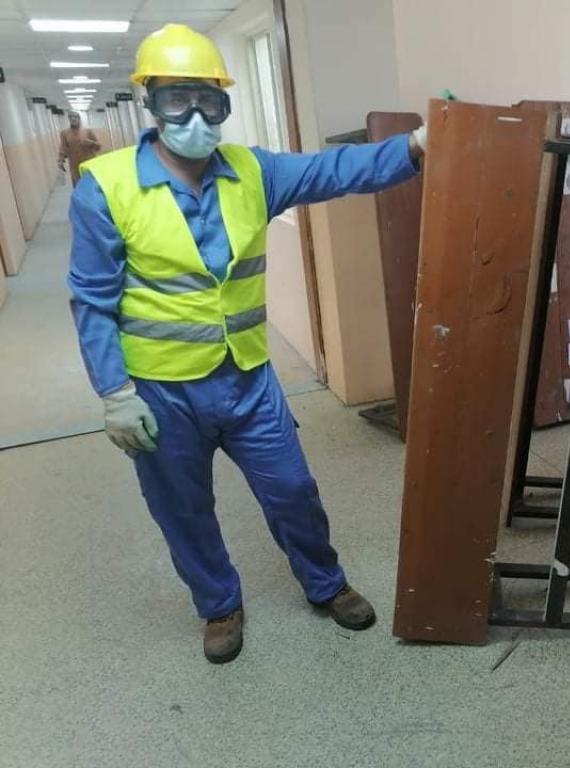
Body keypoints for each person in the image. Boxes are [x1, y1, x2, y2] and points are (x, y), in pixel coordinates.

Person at [67, 23, 426, 664]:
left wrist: (416, 147)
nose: (195, 117)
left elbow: (333, 169)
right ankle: (219, 606)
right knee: (183, 509)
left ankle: (326, 583)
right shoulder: (106, 185)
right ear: (151, 101)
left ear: (224, 105)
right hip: (161, 392)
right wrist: (114, 393)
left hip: (248, 379)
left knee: (292, 489)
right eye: (177, 99)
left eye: (209, 100)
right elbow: (91, 299)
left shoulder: (252, 171)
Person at [58, 111, 102, 186]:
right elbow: (63, 147)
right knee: (78, 184)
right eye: (71, 117)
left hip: (89, 162)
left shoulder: (88, 132)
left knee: (92, 183)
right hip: (75, 164)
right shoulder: (65, 133)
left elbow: (99, 147)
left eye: (75, 117)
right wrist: (60, 160)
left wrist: (91, 143)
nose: (73, 119)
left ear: (79, 119)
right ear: (69, 119)